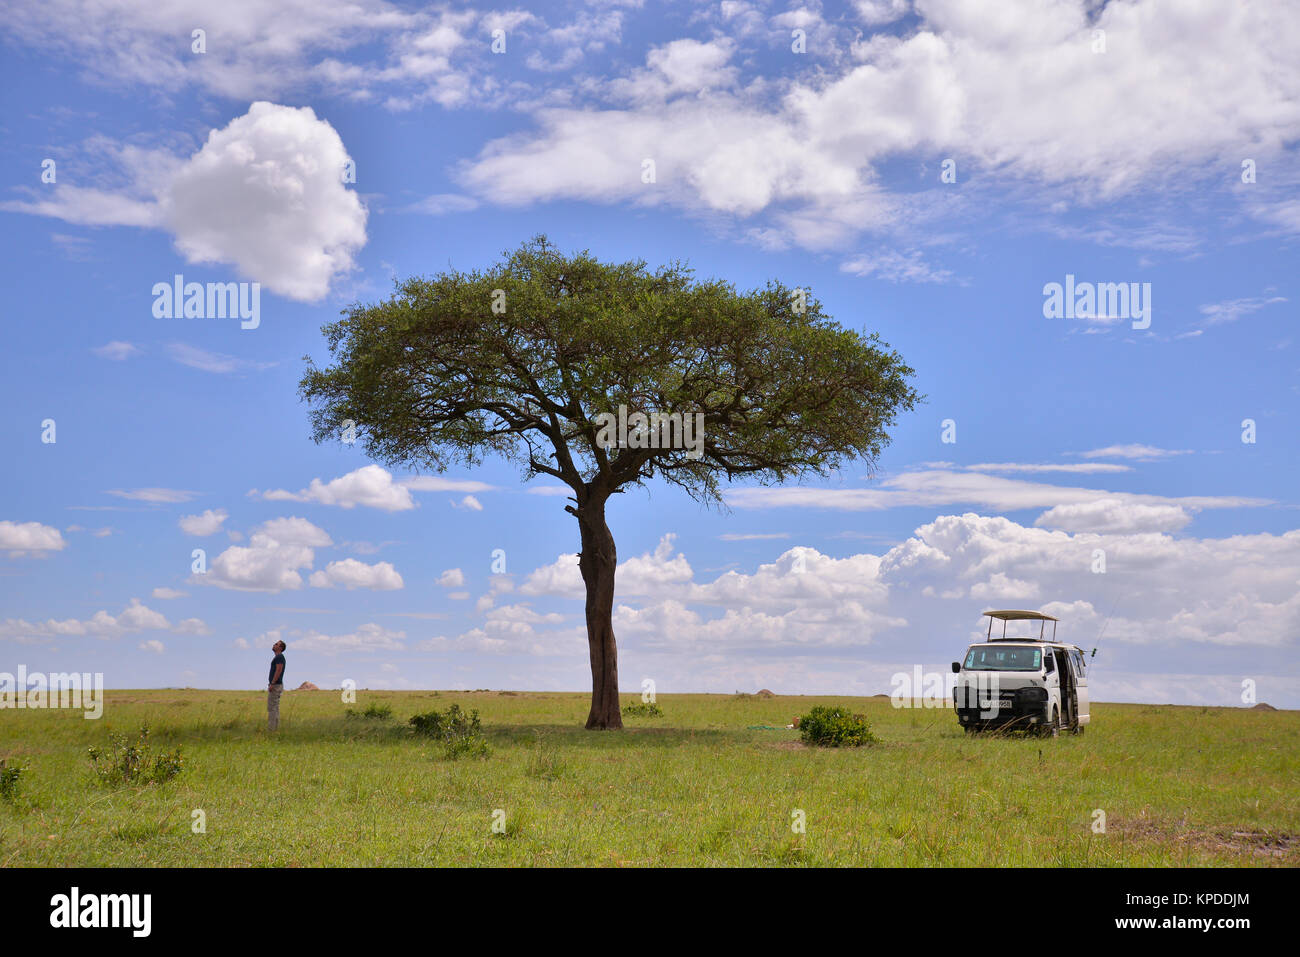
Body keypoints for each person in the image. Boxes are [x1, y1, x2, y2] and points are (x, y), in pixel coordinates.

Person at [267, 640, 287, 731]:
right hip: (277, 685)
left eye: (276, 644)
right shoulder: (279, 657)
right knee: (275, 707)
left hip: (276, 685)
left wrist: (272, 683)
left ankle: (272, 729)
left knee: (272, 708)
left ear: (280, 648)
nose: (274, 645)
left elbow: (278, 670)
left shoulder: (279, 657)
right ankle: (275, 728)